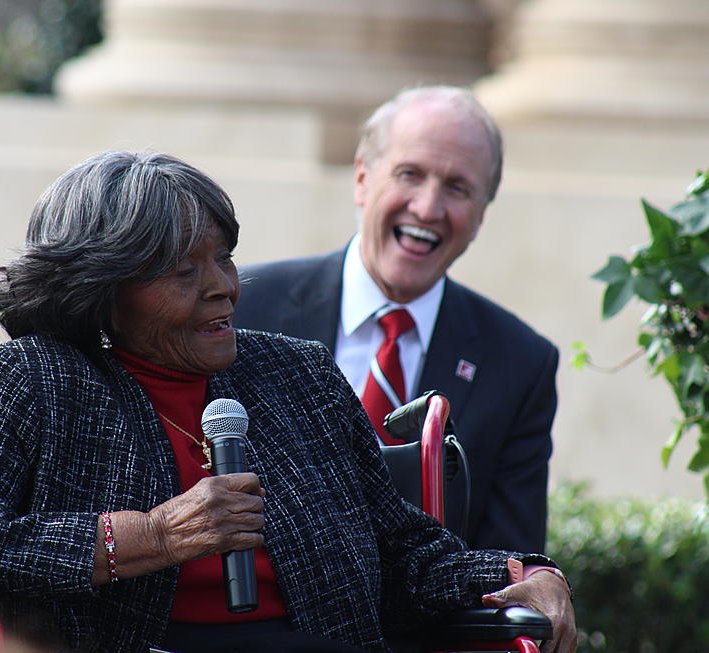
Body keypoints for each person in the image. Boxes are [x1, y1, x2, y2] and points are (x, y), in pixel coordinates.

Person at [0, 151, 574, 653]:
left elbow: (406, 553)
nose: (223, 287)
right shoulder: (44, 381)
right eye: (185, 270)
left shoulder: (294, 375)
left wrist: (523, 573)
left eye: (224, 258)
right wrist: (147, 536)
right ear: (105, 289)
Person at [233, 86, 558, 553]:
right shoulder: (246, 309)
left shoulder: (520, 363)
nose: (428, 208)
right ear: (362, 178)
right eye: (410, 174)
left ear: (483, 214)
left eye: (458, 188)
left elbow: (510, 559)